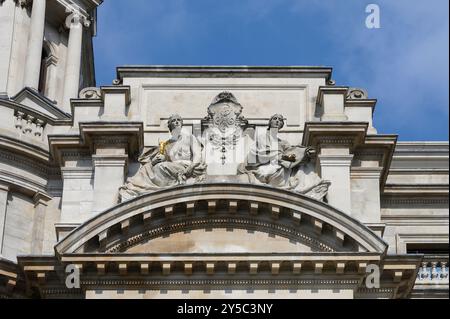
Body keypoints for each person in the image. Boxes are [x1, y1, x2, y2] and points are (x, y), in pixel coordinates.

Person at [239, 114, 330, 200]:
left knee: (302, 166)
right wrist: (285, 158)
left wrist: (304, 153)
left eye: (280, 120)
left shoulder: (283, 142)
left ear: (282, 124)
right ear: (270, 122)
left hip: (279, 163)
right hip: (265, 166)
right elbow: (263, 154)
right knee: (289, 164)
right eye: (275, 119)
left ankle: (311, 187)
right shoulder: (263, 137)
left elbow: (292, 152)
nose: (277, 121)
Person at [119, 114, 206, 201]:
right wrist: (157, 160)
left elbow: (197, 155)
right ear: (170, 126)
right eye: (173, 120)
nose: (176, 122)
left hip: (186, 166)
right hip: (172, 167)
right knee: (150, 168)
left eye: (178, 120)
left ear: (181, 123)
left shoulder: (190, 138)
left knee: (161, 167)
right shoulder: (166, 145)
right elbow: (163, 158)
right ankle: (134, 188)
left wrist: (190, 168)